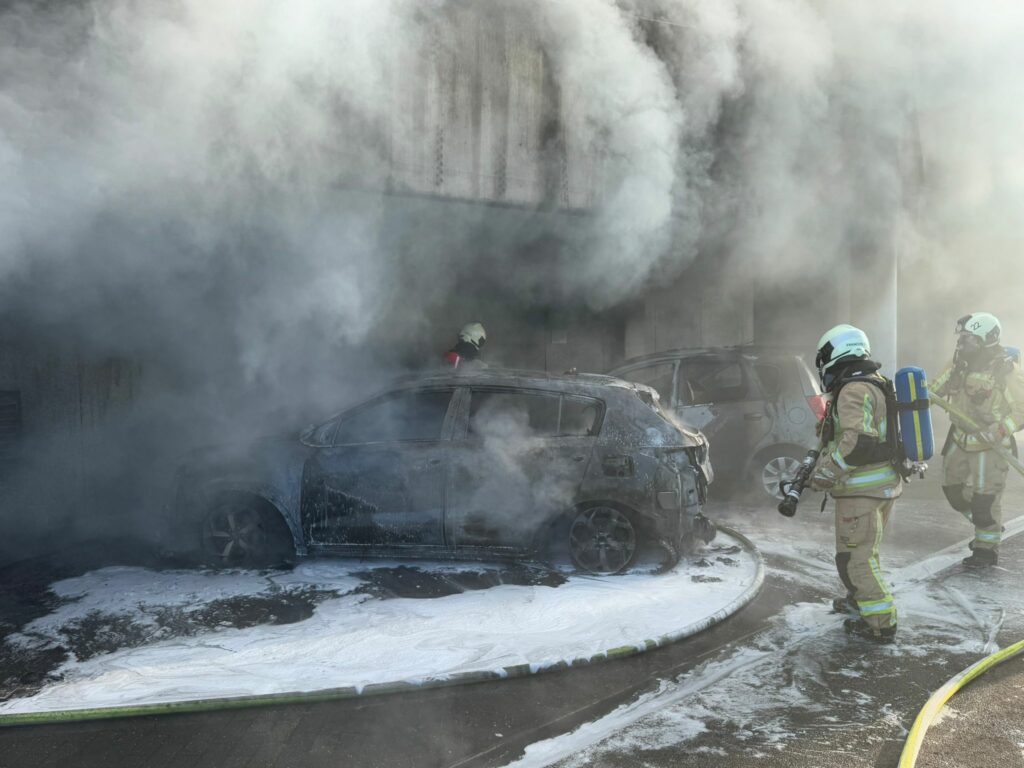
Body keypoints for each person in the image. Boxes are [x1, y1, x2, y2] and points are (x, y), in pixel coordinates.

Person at [810, 324, 902, 642]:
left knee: (856, 558)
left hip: (861, 489)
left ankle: (880, 623)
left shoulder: (853, 389)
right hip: (880, 485)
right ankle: (859, 602)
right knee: (864, 553)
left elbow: (859, 442)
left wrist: (825, 474)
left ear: (836, 353)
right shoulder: (873, 383)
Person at [932, 312, 1024, 567]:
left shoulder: (1006, 370)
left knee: (985, 501)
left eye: (969, 339)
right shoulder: (958, 363)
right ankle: (989, 526)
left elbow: (1022, 408)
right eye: (961, 338)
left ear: (986, 340)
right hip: (959, 440)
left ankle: (986, 549)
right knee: (953, 492)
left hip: (990, 447)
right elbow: (934, 389)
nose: (962, 343)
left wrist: (999, 429)